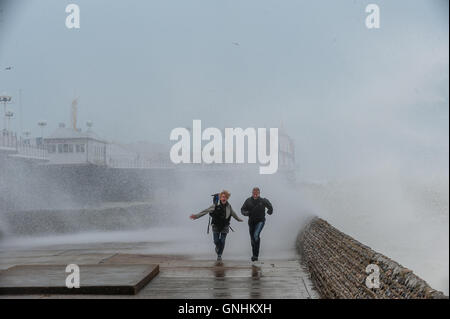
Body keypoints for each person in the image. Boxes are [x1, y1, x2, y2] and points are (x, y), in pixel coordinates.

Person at [190, 190, 243, 261]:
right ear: (220, 198)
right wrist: (196, 216)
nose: (224, 198)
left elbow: (233, 214)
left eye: (225, 197)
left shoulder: (229, 206)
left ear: (227, 198)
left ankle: (219, 255)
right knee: (216, 241)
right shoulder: (215, 206)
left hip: (225, 225)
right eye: (222, 197)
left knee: (223, 241)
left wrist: (239, 219)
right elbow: (205, 211)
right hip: (216, 225)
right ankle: (217, 247)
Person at [241, 187, 273, 262]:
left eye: (257, 194)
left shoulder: (263, 200)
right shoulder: (248, 200)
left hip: (260, 221)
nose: (255, 195)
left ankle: (256, 256)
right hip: (251, 222)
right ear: (252, 193)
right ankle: (254, 255)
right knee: (252, 239)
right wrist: (246, 213)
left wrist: (269, 212)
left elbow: (270, 207)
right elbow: (242, 210)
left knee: (256, 235)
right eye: (254, 193)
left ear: (259, 193)